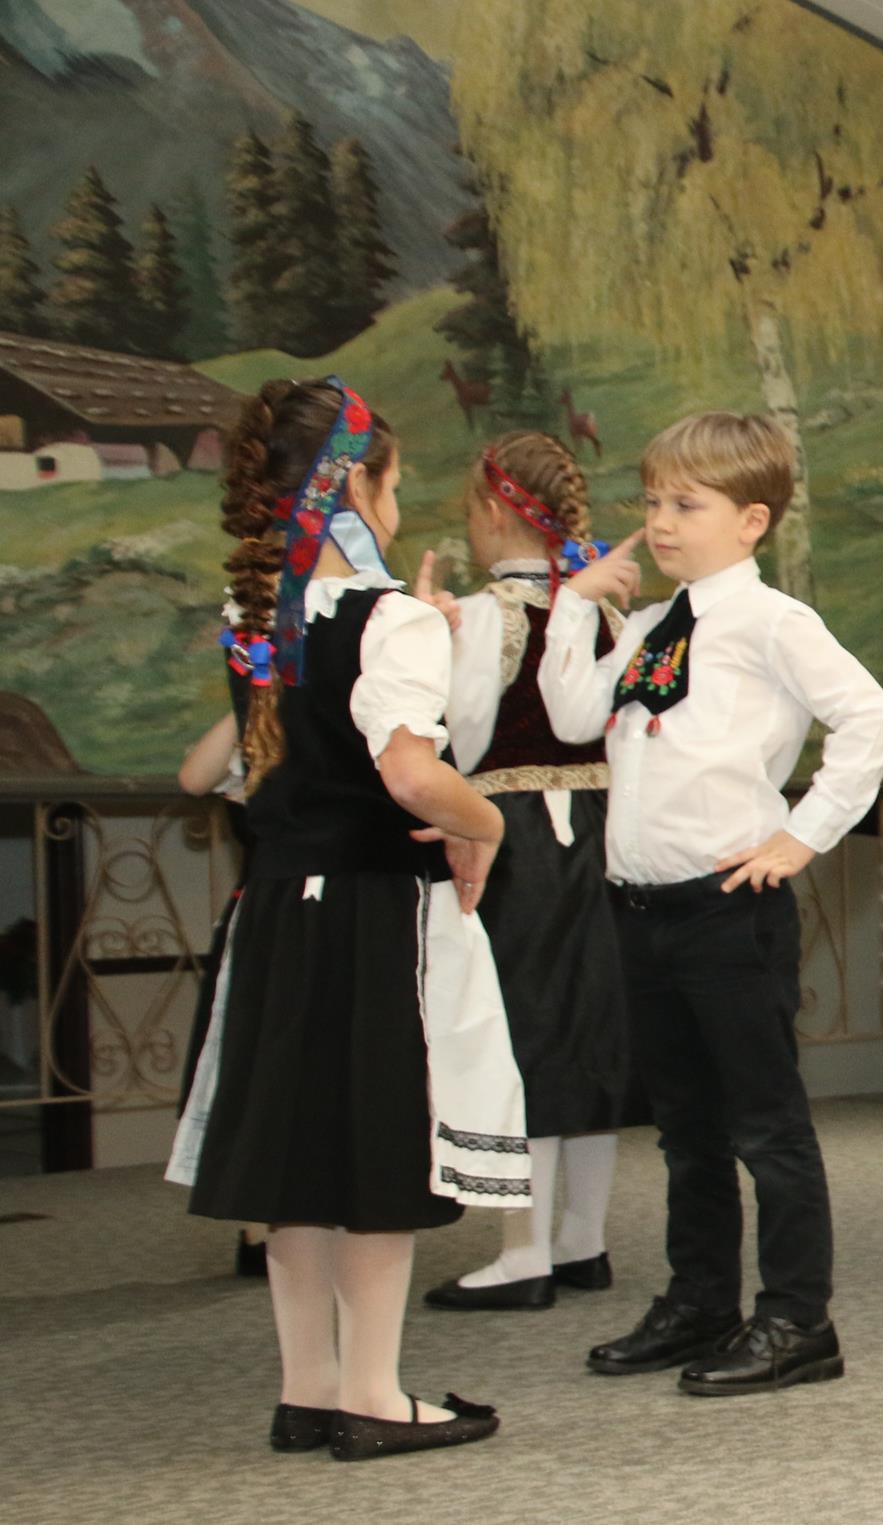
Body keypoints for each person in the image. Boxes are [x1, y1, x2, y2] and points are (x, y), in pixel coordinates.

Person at [165, 377, 530, 1458]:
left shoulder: (259, 621)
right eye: (394, 482)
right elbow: (412, 776)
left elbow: (213, 771)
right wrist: (487, 823)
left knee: (300, 1155)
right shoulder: (389, 619)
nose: (397, 502)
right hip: (371, 911)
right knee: (374, 1148)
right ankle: (372, 1390)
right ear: (354, 489)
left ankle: (308, 1387)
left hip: (277, 911)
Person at [539, 411, 883, 1397]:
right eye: (652, 501)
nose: (659, 521)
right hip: (642, 911)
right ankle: (701, 1299)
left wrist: (801, 835)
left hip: (726, 909)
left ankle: (797, 1319)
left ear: (750, 521)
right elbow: (572, 715)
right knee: (684, 1128)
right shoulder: (653, 626)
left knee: (764, 1126)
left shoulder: (772, 622)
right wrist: (573, 605)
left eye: (685, 505)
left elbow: (868, 718)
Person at [416, 432, 638, 1313]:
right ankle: (583, 1237)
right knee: (592, 1030)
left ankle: (524, 1250)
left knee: (527, 1034)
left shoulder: (485, 618)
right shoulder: (604, 615)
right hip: (605, 832)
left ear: (492, 511)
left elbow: (465, 736)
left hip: (515, 844)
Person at [175, 710, 269, 1276]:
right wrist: (251, 696)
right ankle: (257, 1230)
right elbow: (194, 777)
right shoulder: (260, 725)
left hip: (349, 909)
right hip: (265, 919)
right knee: (251, 1065)